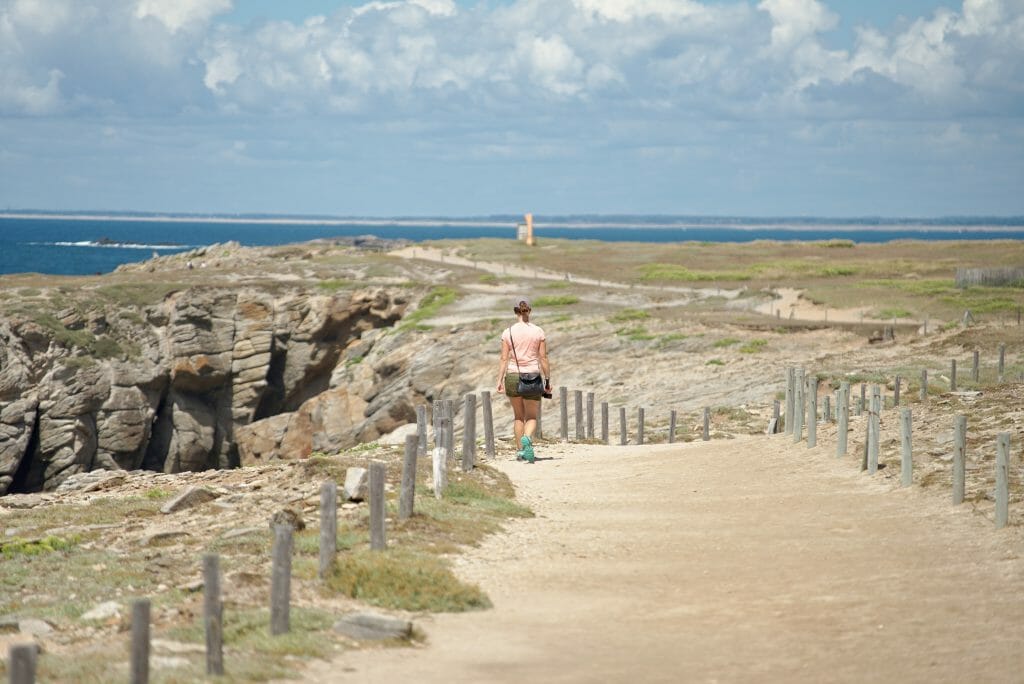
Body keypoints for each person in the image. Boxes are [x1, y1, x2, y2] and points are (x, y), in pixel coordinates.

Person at [496, 298, 551, 463]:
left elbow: (503, 359)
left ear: (515, 312)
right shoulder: (538, 331)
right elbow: (543, 358)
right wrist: (547, 380)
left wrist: (499, 380)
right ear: (529, 311)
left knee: (518, 416)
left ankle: (520, 451)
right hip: (533, 376)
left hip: (513, 375)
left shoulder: (508, 332)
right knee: (532, 417)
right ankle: (528, 437)